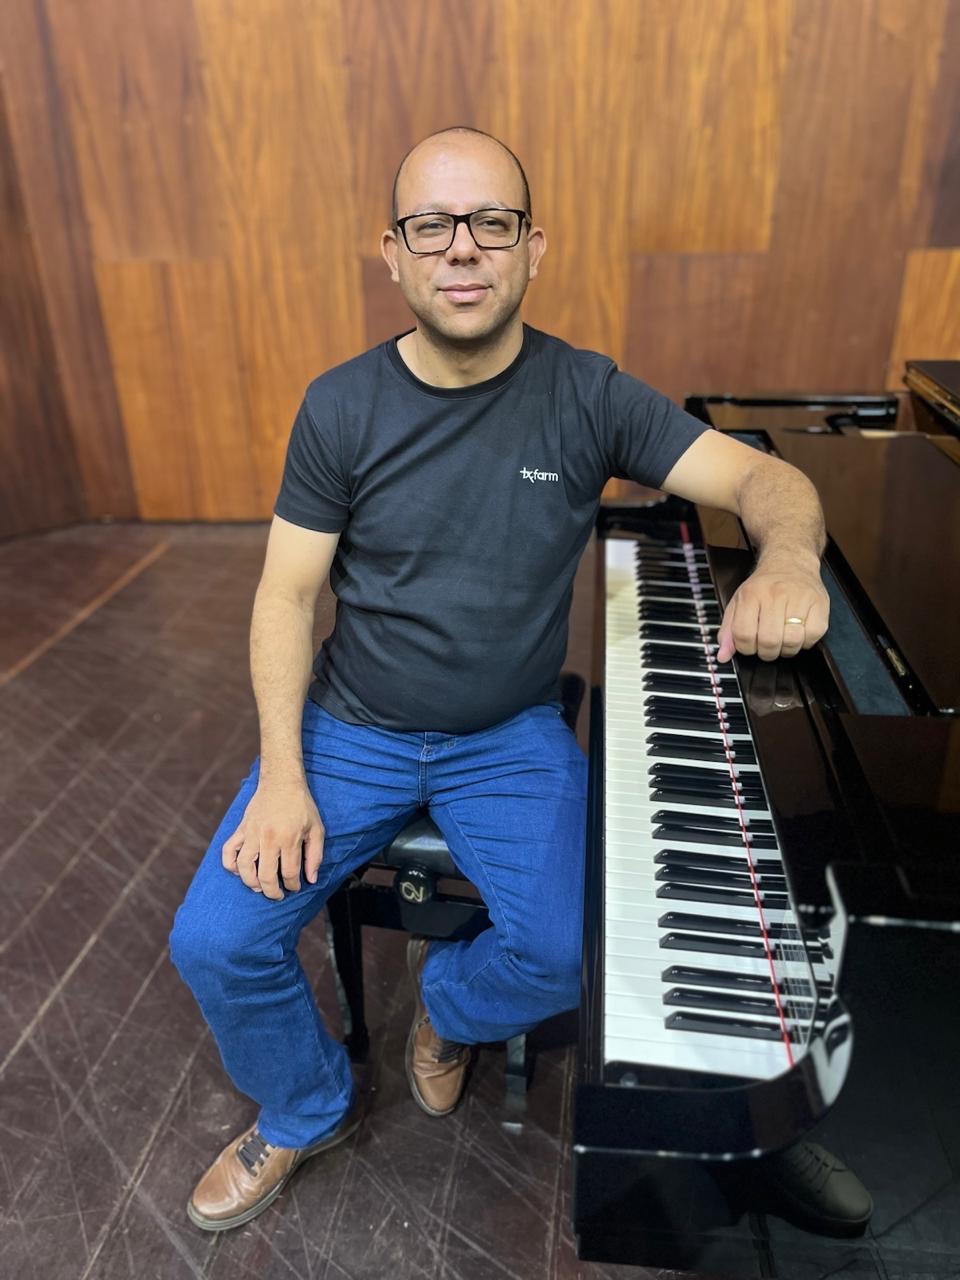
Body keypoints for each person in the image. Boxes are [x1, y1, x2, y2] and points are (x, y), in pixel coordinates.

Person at [169, 126, 830, 1232]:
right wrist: (284, 775)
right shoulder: (340, 405)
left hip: (506, 734)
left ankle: (446, 1007)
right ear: (394, 253)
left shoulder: (587, 393)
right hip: (353, 725)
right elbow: (285, 597)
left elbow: (767, 479)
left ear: (534, 248)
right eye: (432, 225)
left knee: (574, 954)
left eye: (492, 222)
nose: (463, 247)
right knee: (215, 939)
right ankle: (303, 1103)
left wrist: (791, 559)